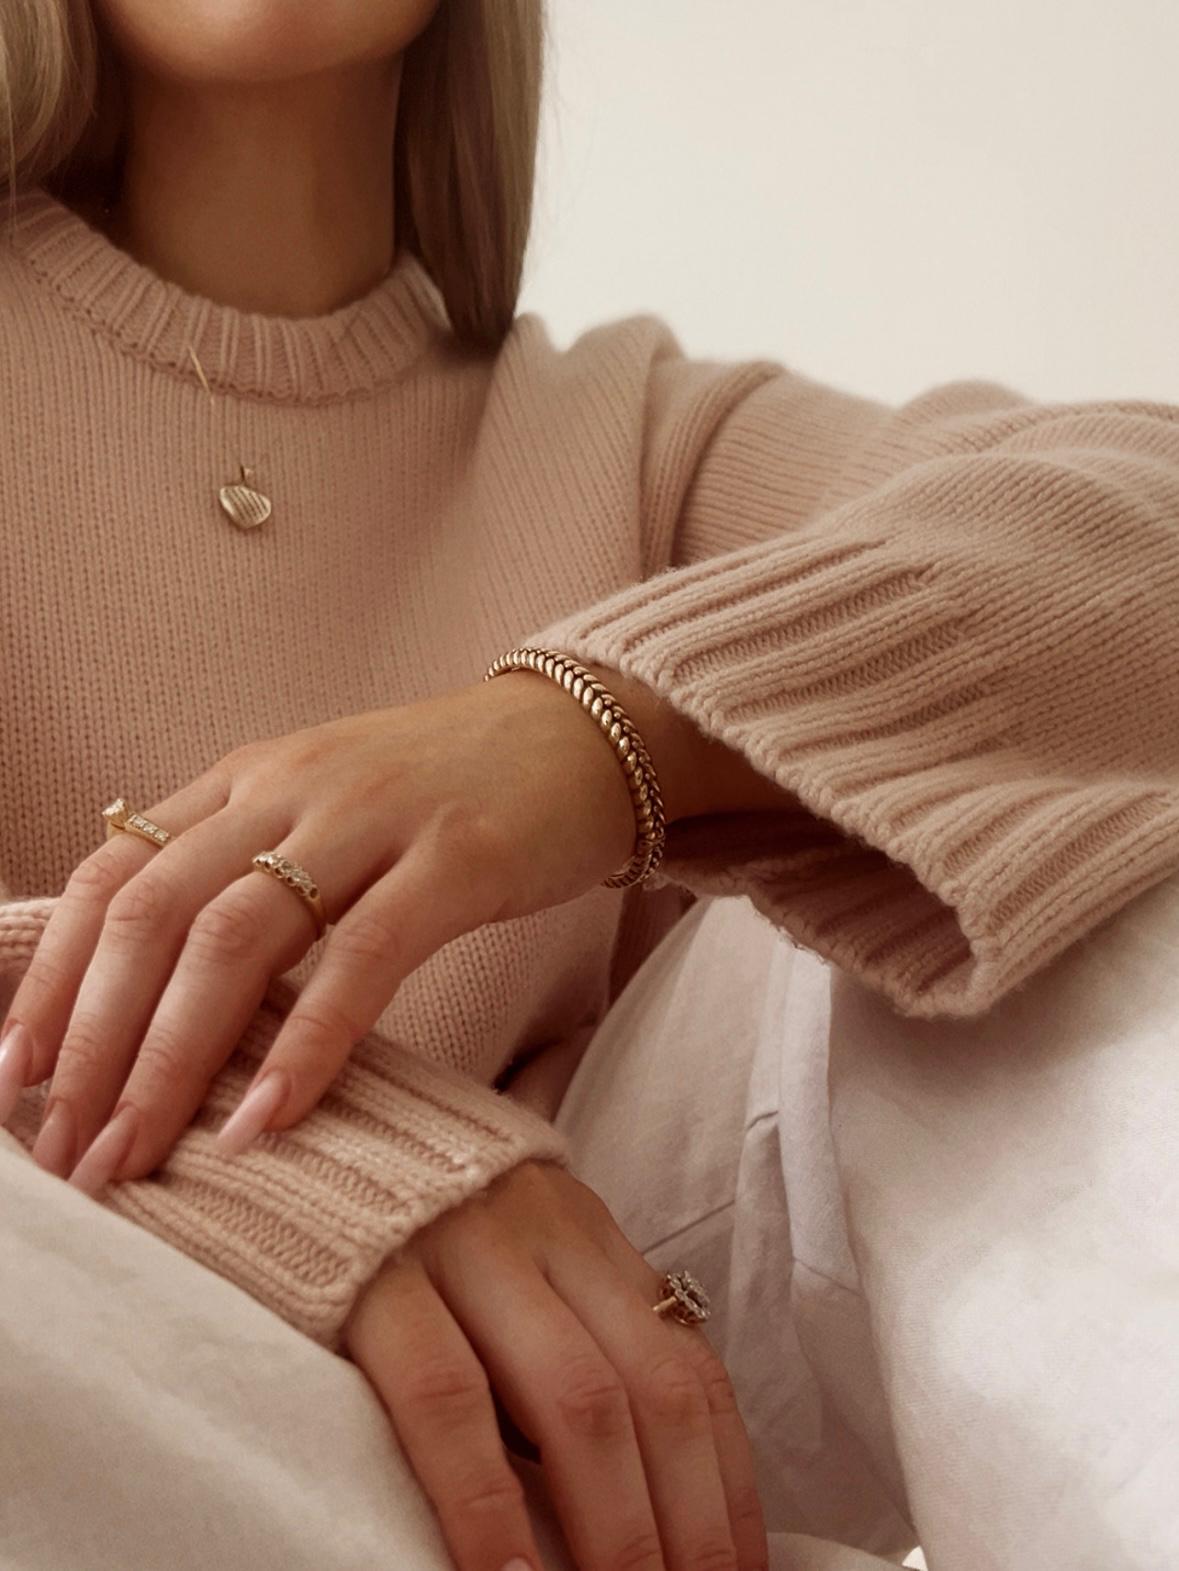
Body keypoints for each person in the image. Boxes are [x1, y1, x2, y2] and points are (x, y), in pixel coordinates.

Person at [0, 3, 1176, 1569]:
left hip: (597, 1380)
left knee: (1056, 838)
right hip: (104, 1372)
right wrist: (349, 1159)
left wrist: (588, 730)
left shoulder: (629, 443)